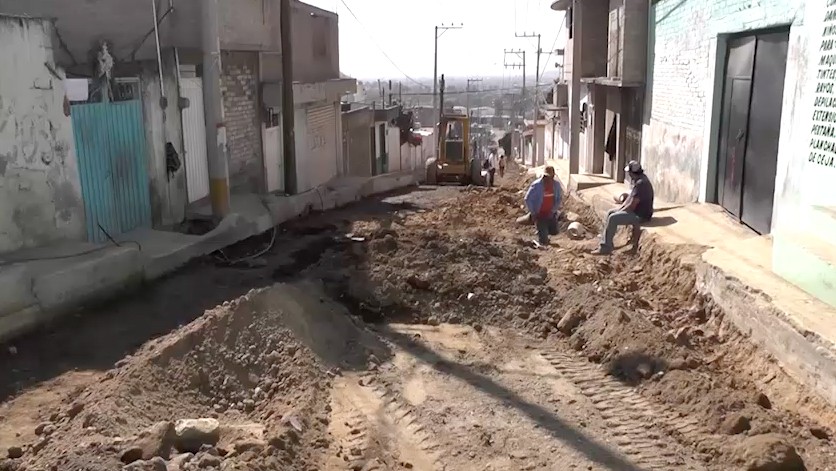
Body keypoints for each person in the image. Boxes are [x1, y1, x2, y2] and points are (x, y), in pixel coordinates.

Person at [594, 160, 654, 255]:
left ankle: (605, 248)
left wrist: (620, 211)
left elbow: (632, 205)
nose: (629, 175)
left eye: (629, 173)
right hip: (636, 211)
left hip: (640, 215)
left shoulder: (641, 184)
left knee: (613, 218)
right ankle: (606, 240)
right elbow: (629, 199)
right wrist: (619, 209)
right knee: (611, 212)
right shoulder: (640, 180)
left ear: (632, 173)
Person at [524, 166, 562, 245]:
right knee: (544, 241)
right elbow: (528, 199)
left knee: (554, 232)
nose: (547, 179)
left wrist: (553, 210)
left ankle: (543, 230)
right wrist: (533, 212)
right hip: (540, 215)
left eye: (549, 177)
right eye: (545, 177)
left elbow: (558, 199)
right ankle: (541, 231)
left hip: (551, 213)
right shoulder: (536, 185)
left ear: (553, 177)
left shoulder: (556, 185)